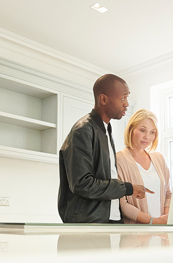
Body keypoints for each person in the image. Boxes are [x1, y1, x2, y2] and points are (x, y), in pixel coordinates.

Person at [58, 74, 151, 223]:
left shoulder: (105, 129)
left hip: (110, 219)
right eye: (122, 98)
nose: (126, 104)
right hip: (88, 223)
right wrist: (128, 188)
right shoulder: (83, 130)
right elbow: (82, 184)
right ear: (103, 99)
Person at [116, 109, 171, 224]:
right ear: (131, 129)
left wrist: (166, 219)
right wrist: (153, 221)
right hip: (135, 234)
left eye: (152, 132)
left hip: (162, 230)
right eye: (142, 130)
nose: (147, 137)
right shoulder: (119, 159)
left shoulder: (159, 158)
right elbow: (123, 204)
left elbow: (168, 194)